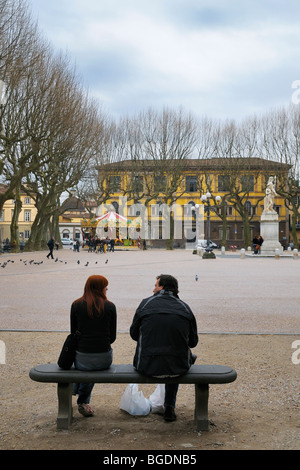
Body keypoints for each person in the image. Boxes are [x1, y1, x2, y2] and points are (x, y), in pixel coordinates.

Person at [130, 274, 198, 422]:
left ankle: (167, 405)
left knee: (169, 356)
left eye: (155, 285)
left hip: (146, 365)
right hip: (177, 367)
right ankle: (169, 406)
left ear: (161, 287)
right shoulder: (185, 308)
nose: (153, 289)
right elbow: (193, 342)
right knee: (177, 358)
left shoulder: (145, 304)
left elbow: (134, 334)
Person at [71, 275, 117, 417]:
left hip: (82, 358)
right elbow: (112, 337)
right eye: (105, 286)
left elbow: (73, 334)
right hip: (104, 359)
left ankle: (78, 392)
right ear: (100, 288)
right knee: (91, 364)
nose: (107, 288)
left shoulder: (76, 305)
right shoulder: (110, 306)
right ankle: (82, 400)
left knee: (86, 364)